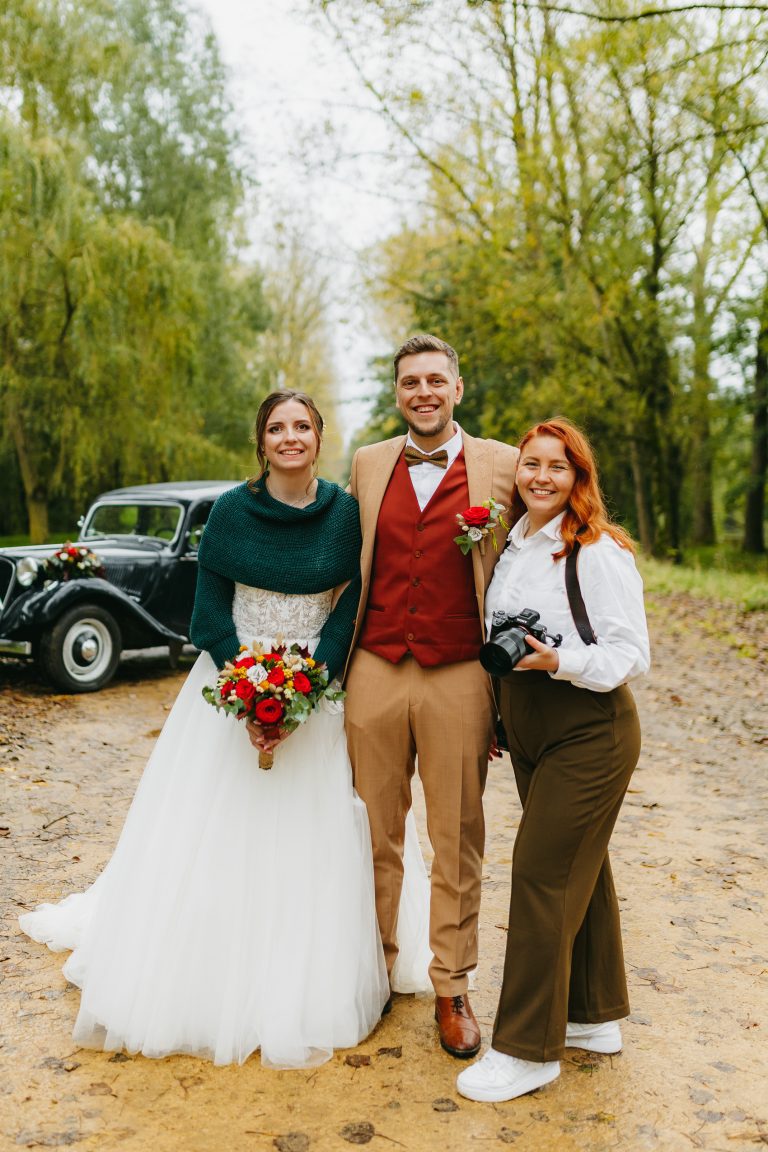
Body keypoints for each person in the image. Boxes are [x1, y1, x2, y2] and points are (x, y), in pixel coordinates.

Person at [18, 390, 427, 1069]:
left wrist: (305, 689)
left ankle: (312, 974)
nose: (289, 437)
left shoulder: (346, 515)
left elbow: (347, 607)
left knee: (318, 835)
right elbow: (207, 614)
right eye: (277, 428)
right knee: (209, 836)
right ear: (260, 442)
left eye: (301, 426)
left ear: (318, 439)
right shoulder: (231, 513)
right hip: (230, 689)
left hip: (315, 697)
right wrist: (252, 697)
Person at [455, 417, 650, 1103]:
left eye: (557, 467)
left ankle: (526, 1050)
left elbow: (631, 654)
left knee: (541, 874)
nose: (540, 476)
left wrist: (558, 659)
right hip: (531, 728)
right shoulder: (511, 543)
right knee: (580, 870)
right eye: (531, 464)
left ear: (579, 479)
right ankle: (591, 1016)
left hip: (589, 729)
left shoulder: (593, 550)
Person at [343, 334, 519, 1058]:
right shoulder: (367, 463)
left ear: (458, 388)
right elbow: (341, 563)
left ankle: (452, 986)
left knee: (457, 837)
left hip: (459, 670)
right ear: (398, 393)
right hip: (376, 664)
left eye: (435, 380)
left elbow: (534, 558)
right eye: (410, 381)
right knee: (372, 833)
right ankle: (378, 971)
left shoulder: (505, 465)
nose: (423, 392)